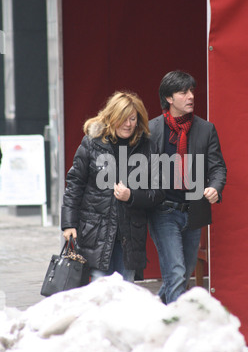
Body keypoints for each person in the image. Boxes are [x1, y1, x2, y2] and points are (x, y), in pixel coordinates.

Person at [61, 91, 164, 283]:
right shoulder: (92, 143)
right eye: (123, 119)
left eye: (133, 119)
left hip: (130, 236)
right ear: (111, 118)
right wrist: (68, 224)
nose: (128, 124)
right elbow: (75, 184)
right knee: (99, 291)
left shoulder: (147, 147)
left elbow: (158, 192)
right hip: (96, 234)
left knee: (125, 292)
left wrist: (131, 196)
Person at [148, 70, 227, 304]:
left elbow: (218, 168)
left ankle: (154, 312)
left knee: (182, 276)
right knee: (176, 272)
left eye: (192, 91)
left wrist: (215, 187)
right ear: (169, 99)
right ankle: (175, 330)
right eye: (184, 92)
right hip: (163, 211)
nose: (191, 96)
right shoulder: (152, 130)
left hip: (193, 210)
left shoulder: (205, 129)